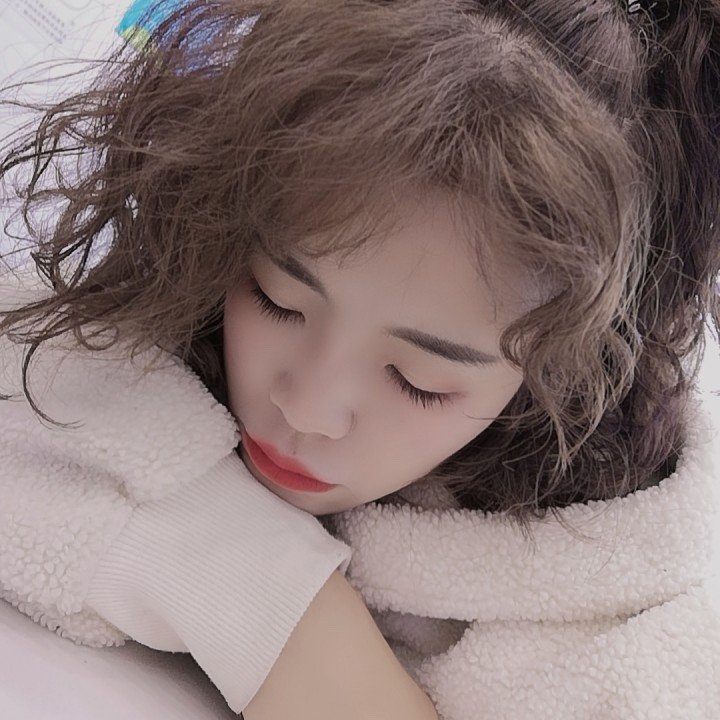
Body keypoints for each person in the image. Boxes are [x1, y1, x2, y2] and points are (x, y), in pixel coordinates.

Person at [1, 0, 719, 718]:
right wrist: (263, 593)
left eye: (417, 382)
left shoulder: (621, 590)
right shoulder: (152, 311)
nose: (307, 407)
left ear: (555, 376)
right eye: (278, 300)